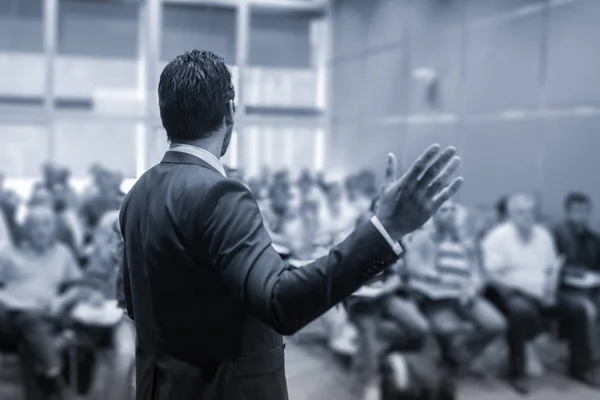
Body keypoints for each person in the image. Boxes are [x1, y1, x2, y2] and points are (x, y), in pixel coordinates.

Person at [119, 49, 463, 400]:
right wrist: (386, 229)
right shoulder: (220, 193)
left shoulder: (138, 194)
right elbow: (281, 303)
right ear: (229, 111)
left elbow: (133, 301)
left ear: (164, 115)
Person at [482, 194, 600, 393]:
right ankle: (517, 371)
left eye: (530, 211)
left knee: (577, 310)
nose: (527, 215)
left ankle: (580, 368)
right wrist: (522, 288)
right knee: (520, 312)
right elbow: (491, 275)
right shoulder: (498, 237)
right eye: (520, 211)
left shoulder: (543, 236)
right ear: (510, 214)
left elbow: (552, 269)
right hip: (512, 292)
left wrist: (549, 291)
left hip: (543, 290)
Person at [405, 200, 506, 372]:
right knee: (447, 328)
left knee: (496, 324)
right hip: (437, 296)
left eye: (453, 209)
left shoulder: (466, 242)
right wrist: (438, 277)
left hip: (465, 295)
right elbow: (413, 266)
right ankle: (448, 360)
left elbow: (477, 271)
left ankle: (459, 356)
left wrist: (473, 287)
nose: (450, 213)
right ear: (434, 215)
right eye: (444, 210)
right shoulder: (422, 238)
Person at [0, 204, 83, 399]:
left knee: (31, 341)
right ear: (25, 227)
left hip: (47, 318)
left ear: (54, 228)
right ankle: (60, 385)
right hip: (10, 319)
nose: (41, 230)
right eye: (35, 224)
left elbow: (78, 286)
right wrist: (18, 304)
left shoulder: (62, 253)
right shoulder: (7, 252)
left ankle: (52, 375)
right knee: (32, 320)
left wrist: (61, 301)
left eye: (46, 224)